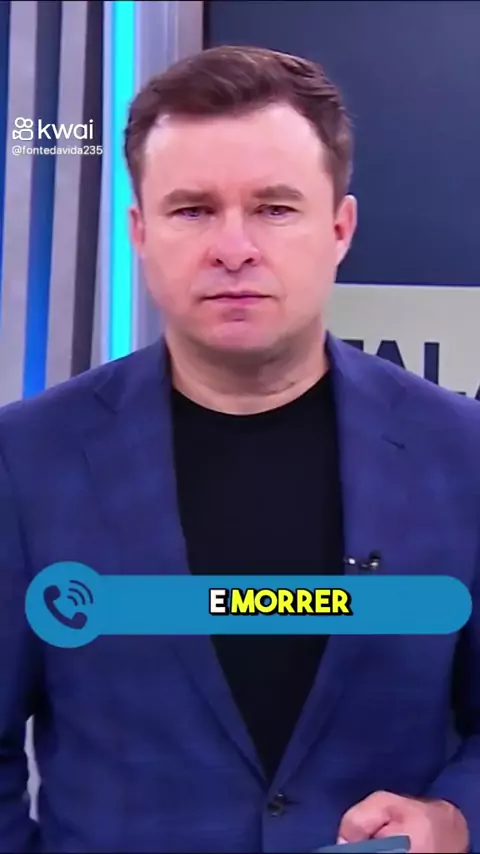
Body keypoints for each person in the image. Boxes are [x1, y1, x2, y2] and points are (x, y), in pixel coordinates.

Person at [0, 43, 478, 854]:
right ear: (140, 232)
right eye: (192, 210)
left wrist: (454, 819)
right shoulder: (25, 462)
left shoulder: (462, 455)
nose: (233, 247)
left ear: (340, 228)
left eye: (274, 208)